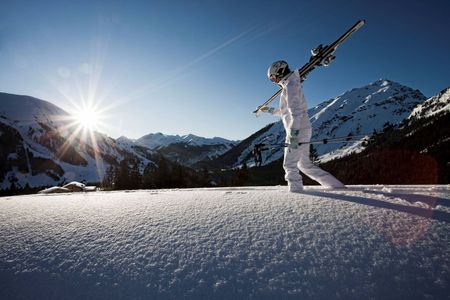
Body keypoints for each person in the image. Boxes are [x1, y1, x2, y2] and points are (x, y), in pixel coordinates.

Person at [261, 60, 345, 192]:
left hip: (296, 131)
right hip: (301, 129)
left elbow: (296, 113)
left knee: (289, 164)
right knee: (304, 164)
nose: (273, 81)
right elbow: (286, 112)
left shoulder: (290, 86)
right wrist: (270, 110)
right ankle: (336, 186)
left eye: (273, 77)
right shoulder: (291, 84)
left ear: (280, 72)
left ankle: (296, 191)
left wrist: (294, 134)